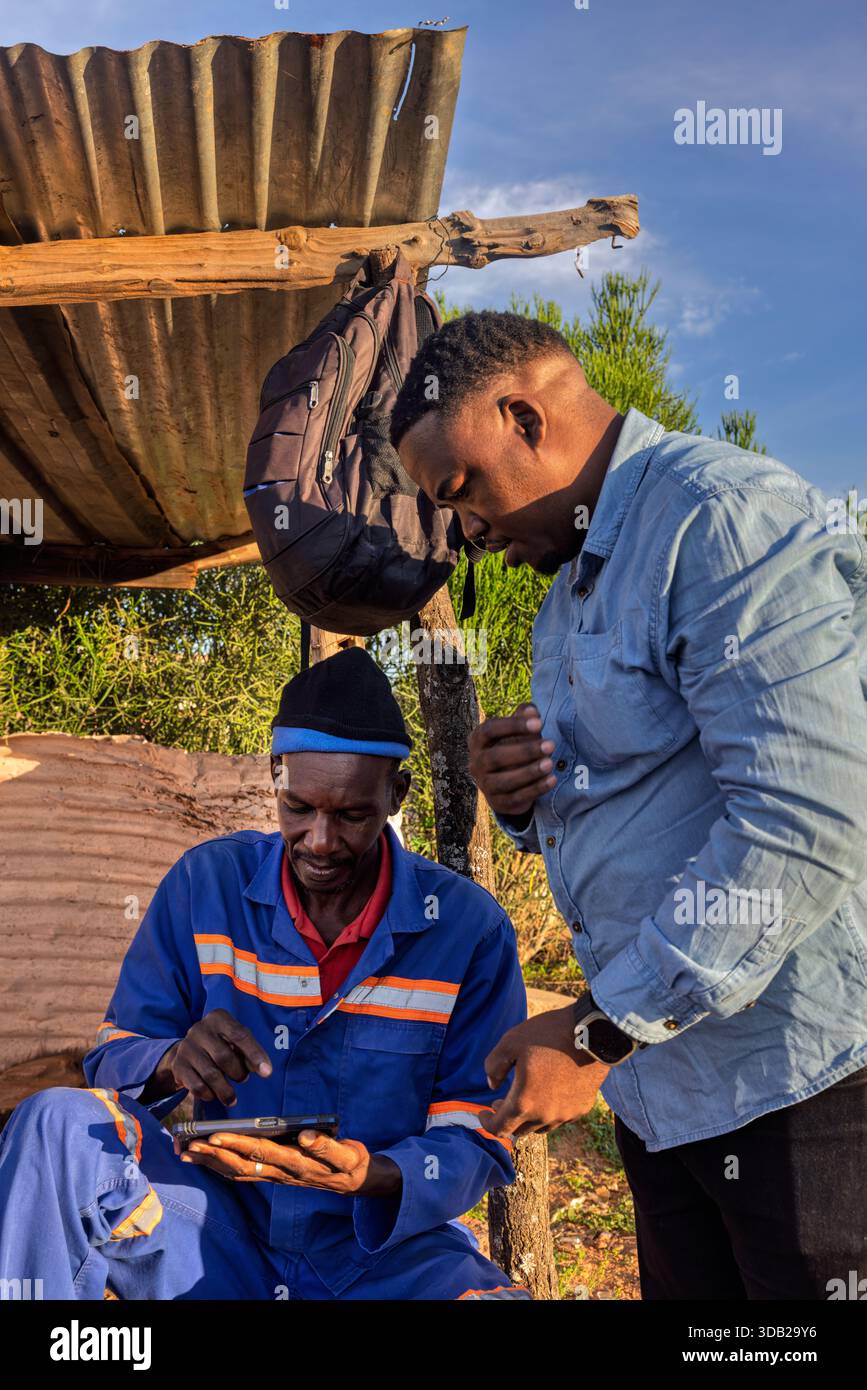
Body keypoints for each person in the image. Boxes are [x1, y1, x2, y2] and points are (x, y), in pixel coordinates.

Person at [391, 309, 867, 1300]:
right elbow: (633, 795)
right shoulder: (571, 596)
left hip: (802, 1091)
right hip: (664, 1094)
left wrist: (596, 1032)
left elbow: (806, 821)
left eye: (462, 488)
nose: (469, 530)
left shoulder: (719, 518)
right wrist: (519, 796)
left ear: (524, 415)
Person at [0, 648, 530, 1301]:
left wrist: (371, 1175)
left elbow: (475, 1141)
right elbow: (113, 1057)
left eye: (350, 815)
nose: (318, 840)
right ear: (274, 781)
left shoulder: (466, 930)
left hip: (381, 1256)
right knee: (57, 1123)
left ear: (396, 795)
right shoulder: (205, 884)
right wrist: (172, 1060)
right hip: (212, 1229)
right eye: (298, 807)